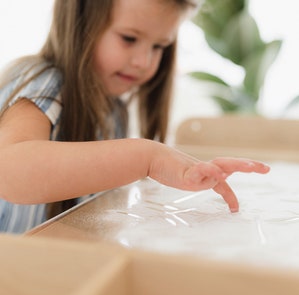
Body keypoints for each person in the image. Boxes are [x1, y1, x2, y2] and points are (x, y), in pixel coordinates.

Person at [0, 0, 269, 234]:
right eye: (129, 38)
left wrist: (189, 170)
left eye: (159, 46)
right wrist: (146, 157)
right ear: (79, 21)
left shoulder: (114, 109)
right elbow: (8, 172)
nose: (144, 61)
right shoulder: (42, 80)